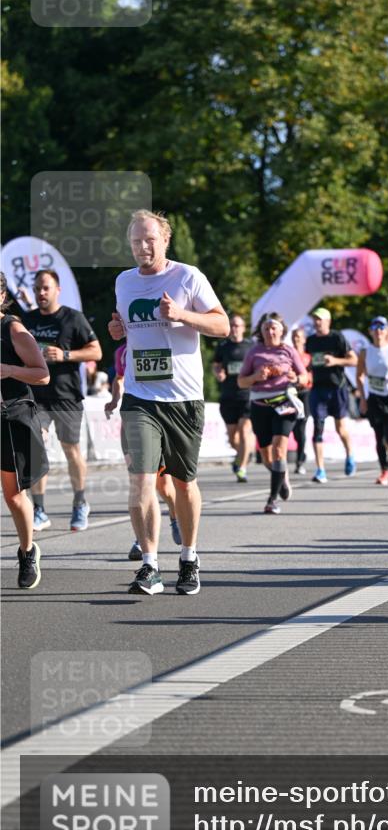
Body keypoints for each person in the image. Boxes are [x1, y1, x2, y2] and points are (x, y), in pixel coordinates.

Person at [108, 209, 229, 596]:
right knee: (141, 479)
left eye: (149, 240)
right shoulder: (123, 282)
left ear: (165, 241)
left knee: (183, 483)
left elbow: (222, 325)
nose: (142, 247)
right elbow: (128, 330)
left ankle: (189, 557)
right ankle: (149, 565)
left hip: (183, 397)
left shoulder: (187, 276)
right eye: (136, 241)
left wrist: (182, 314)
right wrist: (117, 329)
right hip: (140, 396)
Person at [23, 269, 102, 531]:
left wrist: (65, 355)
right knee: (36, 446)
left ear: (57, 289)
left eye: (45, 288)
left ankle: (80, 502)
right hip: (37, 396)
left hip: (66, 395)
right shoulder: (28, 320)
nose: (41, 293)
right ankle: (39, 509)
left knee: (71, 450)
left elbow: (97, 351)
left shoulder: (73, 318)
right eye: (37, 289)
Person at [105, 341, 182, 560]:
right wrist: (114, 399)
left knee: (164, 486)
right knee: (139, 482)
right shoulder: (121, 351)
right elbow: (119, 378)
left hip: (161, 417)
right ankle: (142, 540)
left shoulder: (163, 339)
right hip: (133, 417)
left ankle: (175, 516)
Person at [0, 272, 50, 588]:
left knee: (13, 495)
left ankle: (27, 550)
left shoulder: (13, 330)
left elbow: (42, 374)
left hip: (10, 417)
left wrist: (8, 370)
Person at [238, 312, 308, 514]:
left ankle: (272, 500)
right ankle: (282, 476)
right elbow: (241, 382)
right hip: (260, 405)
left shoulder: (288, 351)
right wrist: (256, 376)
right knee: (267, 457)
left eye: (274, 328)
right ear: (261, 331)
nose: (270, 331)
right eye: (266, 328)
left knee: (279, 450)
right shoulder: (254, 352)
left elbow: (304, 377)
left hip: (285, 402)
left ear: (281, 330)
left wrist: (296, 378)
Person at [305, 308, 358, 483]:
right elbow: (308, 363)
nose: (317, 322)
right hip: (318, 389)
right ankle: (320, 470)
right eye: (315, 319)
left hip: (337, 388)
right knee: (317, 428)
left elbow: (354, 360)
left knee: (340, 428)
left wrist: (335, 361)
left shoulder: (337, 338)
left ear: (328, 321)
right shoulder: (310, 341)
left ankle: (350, 455)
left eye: (320, 319)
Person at [356, 316, 388, 485]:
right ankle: (384, 471)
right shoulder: (365, 351)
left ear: (387, 331)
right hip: (375, 396)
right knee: (378, 437)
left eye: (382, 328)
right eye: (375, 328)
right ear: (371, 331)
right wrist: (363, 399)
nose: (378, 331)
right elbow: (359, 376)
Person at [212, 313, 254, 483]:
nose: (235, 328)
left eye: (238, 325)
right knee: (232, 438)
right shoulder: (223, 346)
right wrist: (218, 373)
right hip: (229, 395)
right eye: (233, 325)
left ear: (244, 328)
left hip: (248, 395)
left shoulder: (251, 346)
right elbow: (216, 365)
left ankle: (242, 468)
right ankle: (244, 453)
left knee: (244, 432)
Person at [291, 326, 313, 474]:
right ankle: (301, 454)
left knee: (301, 426)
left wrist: (304, 379)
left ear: (304, 339)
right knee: (293, 428)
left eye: (299, 336)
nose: (296, 339)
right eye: (294, 336)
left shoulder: (308, 357)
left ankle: (300, 461)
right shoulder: (288, 354)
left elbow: (312, 374)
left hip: (305, 394)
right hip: (291, 394)